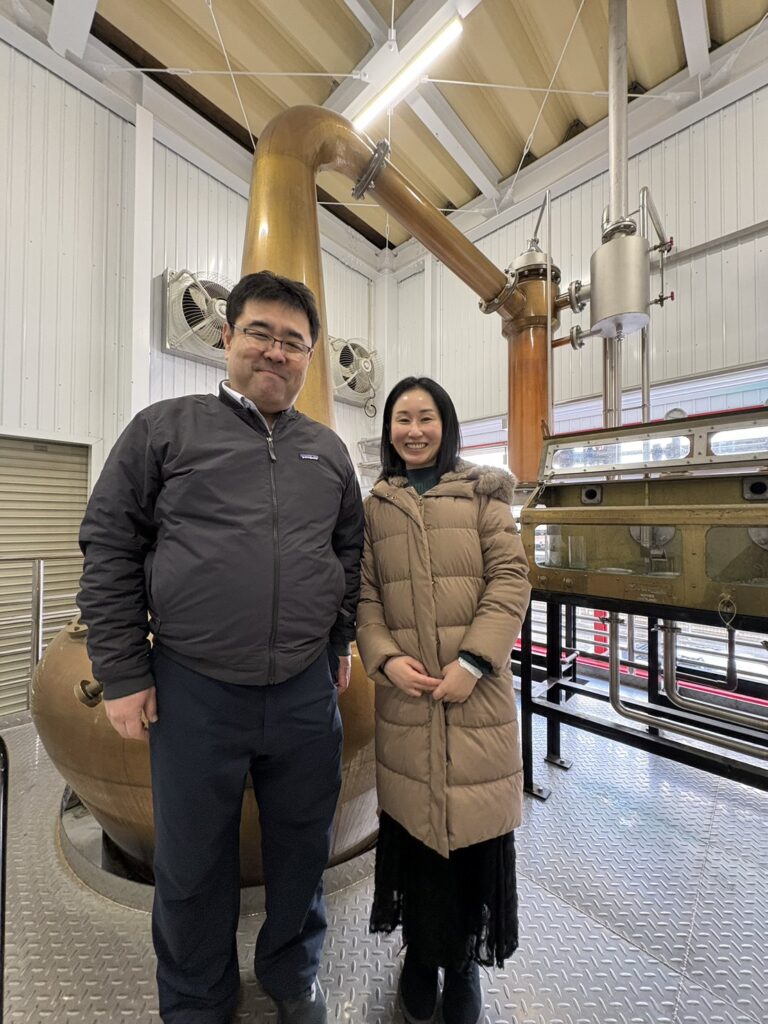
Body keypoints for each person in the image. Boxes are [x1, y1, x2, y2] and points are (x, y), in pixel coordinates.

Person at [76, 270, 364, 1024]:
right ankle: (197, 997)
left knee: (303, 848)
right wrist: (121, 671)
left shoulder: (328, 453)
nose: (275, 351)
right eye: (260, 333)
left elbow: (349, 553)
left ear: (310, 356)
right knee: (193, 859)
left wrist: (339, 640)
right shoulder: (164, 430)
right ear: (227, 338)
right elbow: (109, 545)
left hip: (303, 689)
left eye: (293, 341)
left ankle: (291, 974)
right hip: (194, 687)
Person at [356, 377, 531, 1024]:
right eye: (402, 418)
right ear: (389, 431)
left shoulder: (483, 493)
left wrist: (475, 661)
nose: (414, 430)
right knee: (417, 843)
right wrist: (382, 657)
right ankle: (419, 957)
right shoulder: (376, 504)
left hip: (474, 701)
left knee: (471, 843)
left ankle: (461, 964)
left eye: (426, 417)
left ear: (445, 424)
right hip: (406, 699)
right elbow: (365, 595)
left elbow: (512, 579)